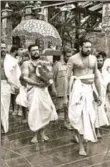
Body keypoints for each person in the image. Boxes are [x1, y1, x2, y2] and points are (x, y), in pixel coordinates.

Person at [66, 38, 102, 156]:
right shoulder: (73, 59)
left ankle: (82, 138)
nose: (88, 49)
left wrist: (99, 94)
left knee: (90, 117)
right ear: (80, 47)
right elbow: (67, 78)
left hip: (90, 90)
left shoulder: (93, 59)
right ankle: (81, 146)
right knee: (80, 117)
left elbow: (96, 77)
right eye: (86, 47)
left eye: (90, 47)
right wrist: (67, 96)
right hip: (78, 90)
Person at [21, 44, 58, 143]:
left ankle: (43, 132)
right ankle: (35, 135)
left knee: (47, 110)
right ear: (29, 52)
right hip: (33, 90)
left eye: (37, 50)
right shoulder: (26, 63)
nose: (36, 52)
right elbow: (25, 77)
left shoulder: (44, 62)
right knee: (34, 112)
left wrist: (53, 88)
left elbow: (49, 77)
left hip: (44, 90)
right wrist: (36, 83)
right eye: (33, 50)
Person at [53, 46, 73, 130]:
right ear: (63, 55)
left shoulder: (72, 65)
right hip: (59, 92)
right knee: (58, 108)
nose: (69, 58)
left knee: (68, 109)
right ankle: (54, 123)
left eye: (70, 56)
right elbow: (52, 78)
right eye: (67, 56)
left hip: (69, 91)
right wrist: (53, 88)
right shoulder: (57, 65)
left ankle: (67, 123)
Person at [94, 51, 109, 138]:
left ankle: (98, 130)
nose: (99, 62)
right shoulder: (94, 71)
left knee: (102, 112)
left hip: (104, 95)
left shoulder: (105, 72)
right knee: (96, 112)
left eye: (101, 60)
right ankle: (97, 131)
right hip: (96, 94)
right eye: (98, 60)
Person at [1, 41, 11, 133]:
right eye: (1, 48)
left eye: (4, 47)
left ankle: (4, 127)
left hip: (5, 84)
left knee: (5, 106)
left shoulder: (9, 59)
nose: (3, 49)